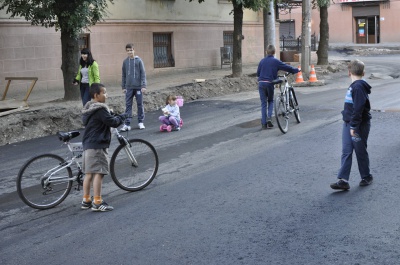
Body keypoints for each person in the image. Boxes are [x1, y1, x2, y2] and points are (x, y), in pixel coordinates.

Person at [81, 83, 125, 211]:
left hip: (88, 144)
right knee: (99, 173)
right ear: (96, 95)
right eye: (104, 92)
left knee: (88, 173)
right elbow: (112, 122)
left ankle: (86, 199)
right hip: (97, 145)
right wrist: (122, 117)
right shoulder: (100, 109)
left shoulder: (89, 109)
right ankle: (97, 202)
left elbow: (104, 118)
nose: (107, 95)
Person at [330, 59, 373, 190]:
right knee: (346, 151)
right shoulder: (355, 86)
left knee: (360, 150)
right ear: (363, 73)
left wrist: (354, 126)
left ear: (349, 73)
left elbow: (358, 109)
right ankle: (343, 180)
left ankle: (366, 176)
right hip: (349, 123)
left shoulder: (358, 87)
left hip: (358, 125)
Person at [256, 44, 299, 129]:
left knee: (263, 103)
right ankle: (269, 118)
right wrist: (296, 70)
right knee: (271, 101)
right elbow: (286, 67)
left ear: (266, 52)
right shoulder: (275, 61)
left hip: (261, 83)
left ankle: (264, 123)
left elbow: (258, 73)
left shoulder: (262, 61)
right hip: (269, 83)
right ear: (274, 52)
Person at [120, 43, 147, 131]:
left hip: (138, 87)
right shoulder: (125, 62)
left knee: (140, 104)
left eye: (131, 50)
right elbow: (123, 75)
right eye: (127, 51)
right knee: (128, 105)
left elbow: (143, 74)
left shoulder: (139, 61)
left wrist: (143, 85)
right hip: (129, 87)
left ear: (134, 50)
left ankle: (140, 122)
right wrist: (123, 87)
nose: (129, 52)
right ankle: (127, 124)